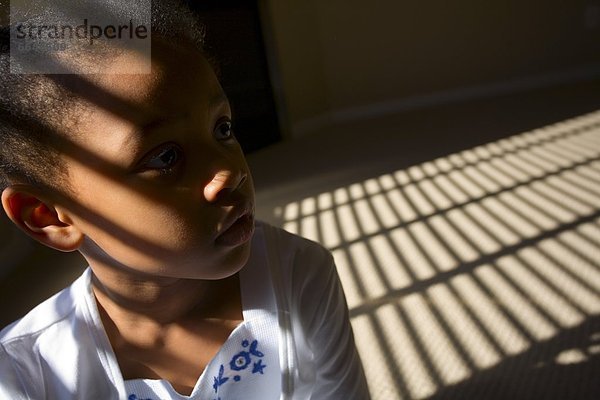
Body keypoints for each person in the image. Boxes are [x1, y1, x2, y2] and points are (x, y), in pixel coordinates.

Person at [0, 1, 370, 399]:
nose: (230, 171)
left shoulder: (299, 273)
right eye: (165, 156)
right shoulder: (25, 372)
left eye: (222, 128)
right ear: (49, 216)